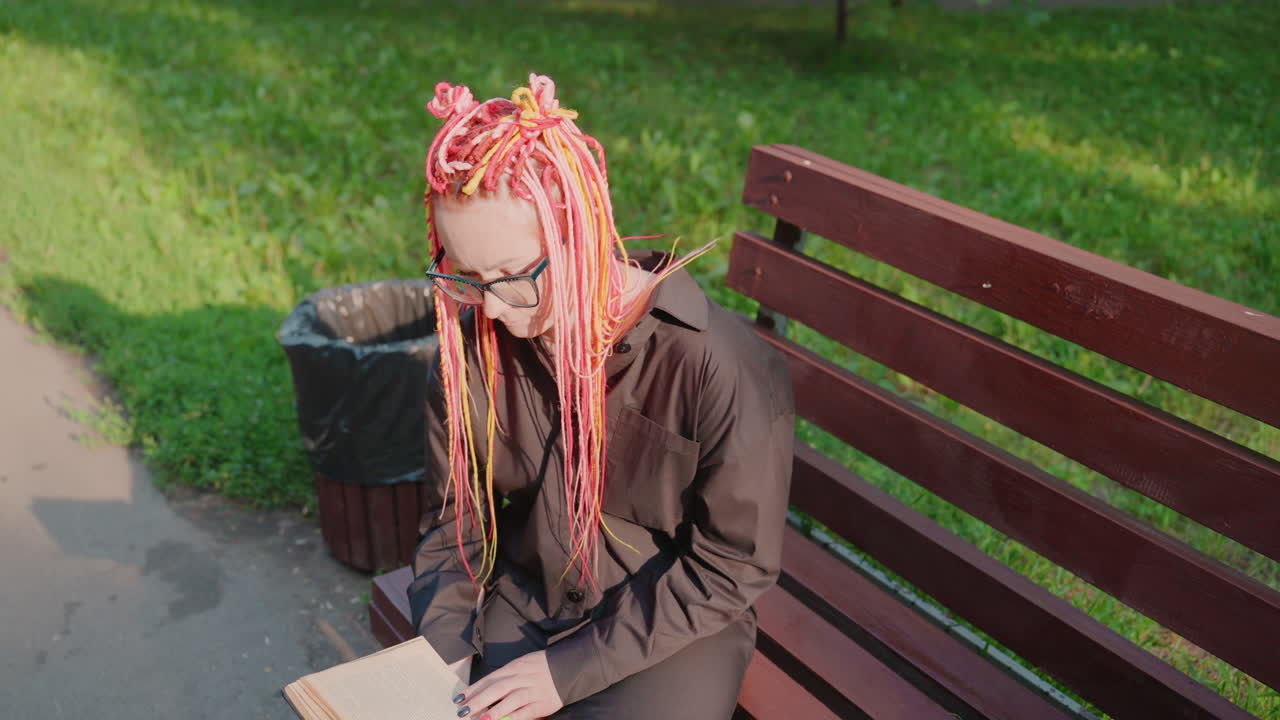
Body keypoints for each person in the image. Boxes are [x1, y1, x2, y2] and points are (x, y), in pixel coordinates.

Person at [409, 74, 795, 720]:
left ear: (581, 232)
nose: (493, 309)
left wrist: (569, 671)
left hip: (671, 622)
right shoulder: (471, 345)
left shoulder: (716, 366)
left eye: (513, 276)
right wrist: (440, 658)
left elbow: (733, 564)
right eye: (467, 278)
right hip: (532, 595)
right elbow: (454, 525)